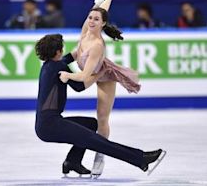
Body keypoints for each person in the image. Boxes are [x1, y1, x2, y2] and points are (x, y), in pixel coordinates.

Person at [34, 33, 166, 177]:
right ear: (58, 52)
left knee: (91, 124)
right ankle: (140, 159)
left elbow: (69, 58)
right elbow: (80, 86)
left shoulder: (48, 65)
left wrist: (86, 49)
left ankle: (72, 161)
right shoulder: (59, 66)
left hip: (46, 123)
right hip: (51, 125)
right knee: (98, 143)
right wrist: (101, 73)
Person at [59, 0, 141, 177]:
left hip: (103, 75)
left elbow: (85, 77)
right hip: (90, 70)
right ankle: (78, 158)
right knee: (98, 6)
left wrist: (66, 73)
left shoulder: (96, 45)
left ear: (103, 24)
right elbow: (99, 10)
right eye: (90, 18)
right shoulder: (86, 31)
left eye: (96, 20)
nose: (91, 21)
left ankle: (99, 155)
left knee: (102, 118)